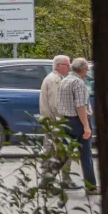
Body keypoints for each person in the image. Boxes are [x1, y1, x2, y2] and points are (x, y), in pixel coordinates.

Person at [56, 58, 98, 194]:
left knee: (63, 154)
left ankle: (47, 181)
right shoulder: (78, 83)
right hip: (78, 122)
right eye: (86, 70)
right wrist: (86, 126)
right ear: (83, 69)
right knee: (86, 155)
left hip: (66, 121)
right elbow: (80, 106)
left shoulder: (64, 80)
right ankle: (91, 187)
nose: (86, 73)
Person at [39, 55, 71, 185]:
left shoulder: (55, 78)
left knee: (51, 151)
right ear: (58, 66)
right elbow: (56, 103)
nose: (69, 67)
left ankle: (47, 179)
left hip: (50, 121)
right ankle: (63, 180)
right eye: (67, 65)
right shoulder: (55, 81)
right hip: (56, 122)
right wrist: (63, 120)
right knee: (61, 151)